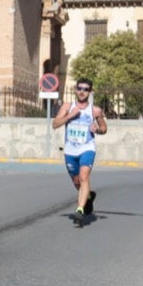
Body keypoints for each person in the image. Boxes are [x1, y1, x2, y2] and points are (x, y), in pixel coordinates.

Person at [52, 78, 106, 223]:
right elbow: (55, 124)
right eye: (80, 88)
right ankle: (88, 196)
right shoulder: (67, 106)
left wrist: (98, 130)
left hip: (87, 148)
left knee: (83, 177)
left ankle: (80, 210)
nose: (82, 92)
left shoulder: (95, 110)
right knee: (77, 181)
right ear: (76, 90)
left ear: (90, 92)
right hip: (70, 150)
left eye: (86, 89)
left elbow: (104, 128)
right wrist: (70, 115)